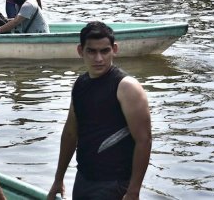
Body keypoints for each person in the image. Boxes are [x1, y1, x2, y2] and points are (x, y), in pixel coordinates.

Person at [46, 22, 152, 200]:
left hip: (115, 183)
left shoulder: (126, 87)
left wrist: (134, 191)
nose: (98, 59)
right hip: (84, 179)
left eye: (104, 51)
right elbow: (71, 133)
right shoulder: (80, 84)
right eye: (92, 51)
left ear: (114, 49)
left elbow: (144, 140)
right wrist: (59, 178)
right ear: (80, 51)